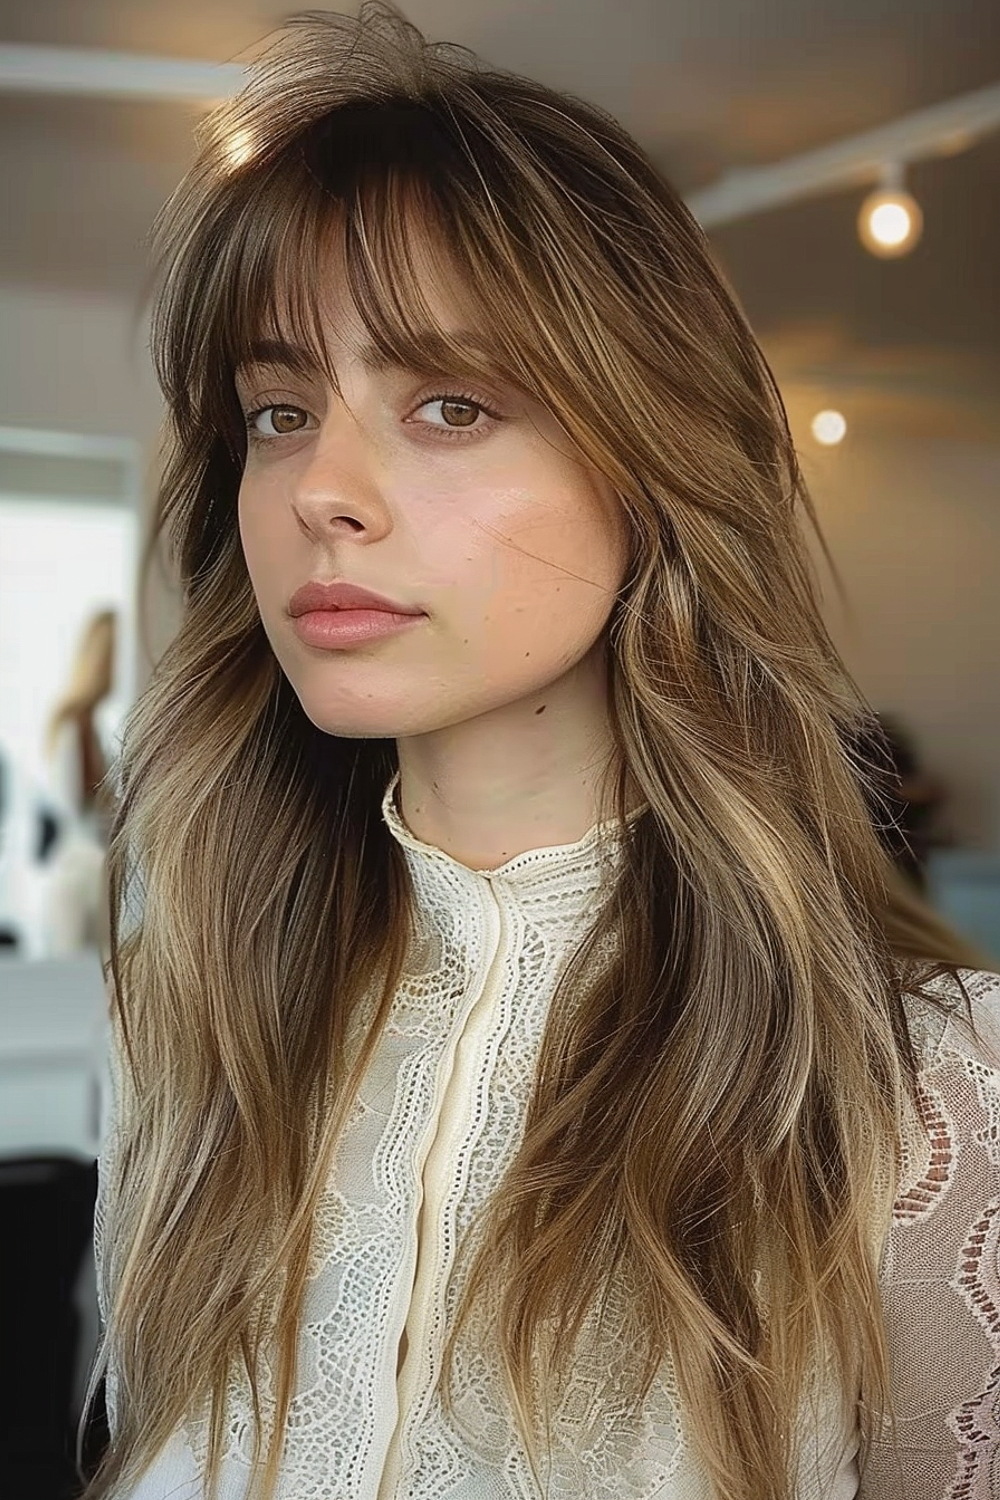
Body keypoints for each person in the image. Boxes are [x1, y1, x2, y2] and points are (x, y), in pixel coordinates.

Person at [82, 6, 1000, 1499]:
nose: (324, 487)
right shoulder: (193, 1027)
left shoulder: (927, 1102)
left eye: (451, 404)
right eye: (278, 409)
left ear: (652, 467)